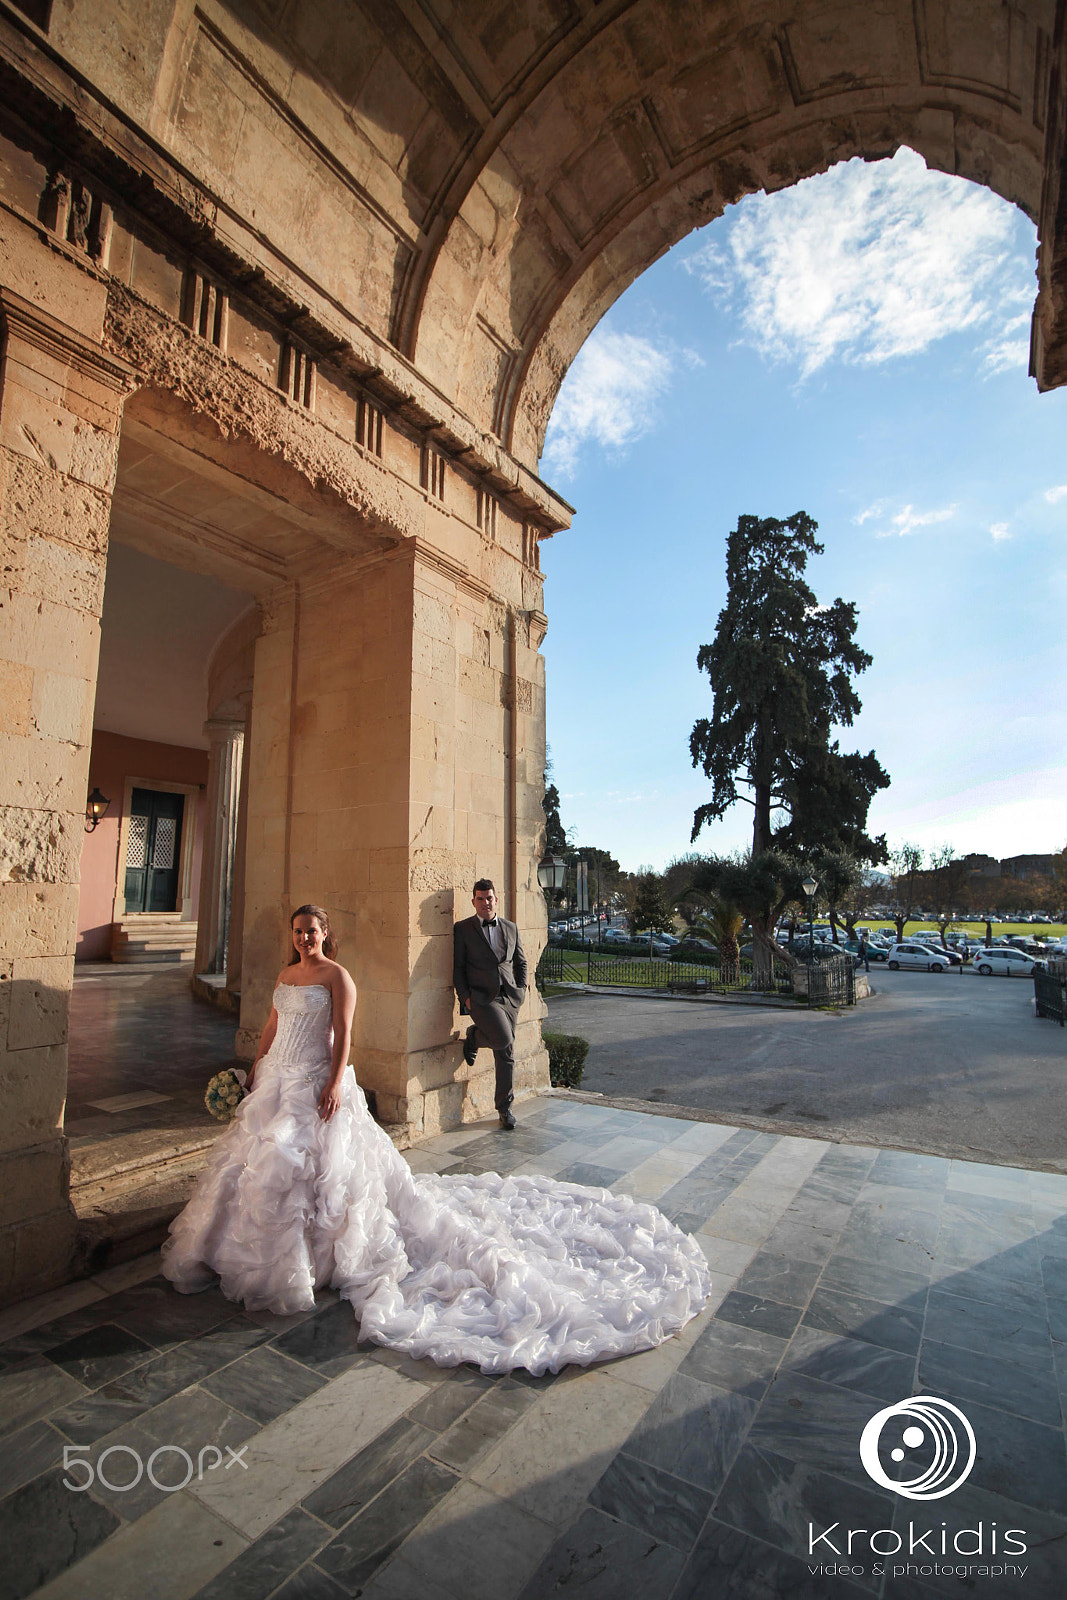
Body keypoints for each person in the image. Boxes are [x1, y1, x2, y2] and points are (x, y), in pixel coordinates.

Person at [161, 902, 710, 1374]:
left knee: (308, 1165)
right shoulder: (285, 978)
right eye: (298, 930)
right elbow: (271, 1028)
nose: (305, 937)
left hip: (315, 1080)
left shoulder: (337, 976)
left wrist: (332, 1083)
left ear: (326, 933)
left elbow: (347, 1036)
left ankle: (318, 1257)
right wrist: (255, 1068)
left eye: (313, 930)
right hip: (277, 1077)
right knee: (258, 1162)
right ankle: (255, 1253)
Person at [453, 878, 526, 1129]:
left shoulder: (510, 927)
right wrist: (466, 998)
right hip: (483, 998)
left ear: (497, 899)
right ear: (474, 901)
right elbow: (458, 968)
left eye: (490, 898)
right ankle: (474, 1036)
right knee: (505, 1040)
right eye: (480, 898)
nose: (486, 902)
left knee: (506, 1053)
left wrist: (522, 989)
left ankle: (505, 1109)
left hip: (510, 997)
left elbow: (521, 962)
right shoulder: (463, 929)